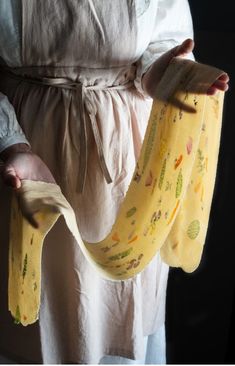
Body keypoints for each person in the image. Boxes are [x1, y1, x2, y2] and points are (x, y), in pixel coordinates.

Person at [0, 0, 229, 364]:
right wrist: (9, 142)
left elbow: (161, 44)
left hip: (124, 169)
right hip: (28, 160)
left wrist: (170, 75)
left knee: (115, 307)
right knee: (42, 311)